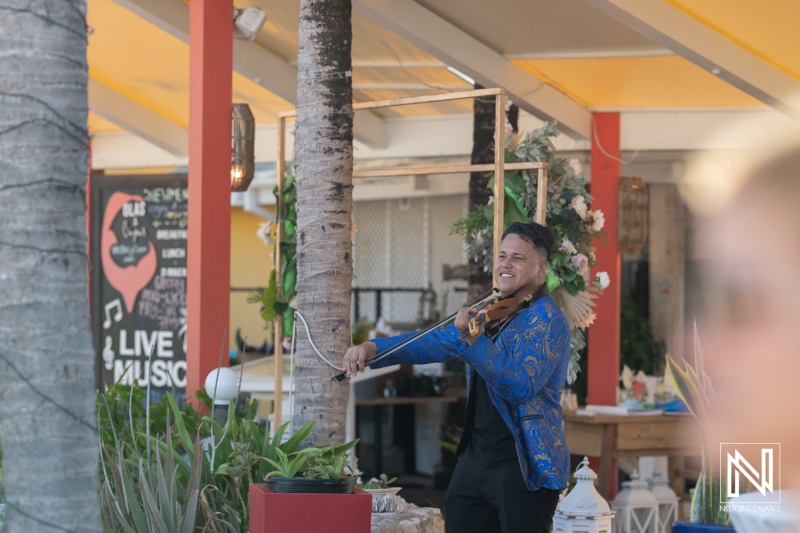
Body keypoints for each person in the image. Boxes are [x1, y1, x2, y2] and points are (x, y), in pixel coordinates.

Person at [343, 221, 571, 533]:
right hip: (474, 462)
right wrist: (373, 349)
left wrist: (474, 341)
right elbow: (433, 342)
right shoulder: (493, 311)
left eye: (518, 258)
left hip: (522, 468)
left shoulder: (547, 319)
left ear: (541, 268)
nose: (505, 264)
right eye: (502, 255)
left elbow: (519, 386)